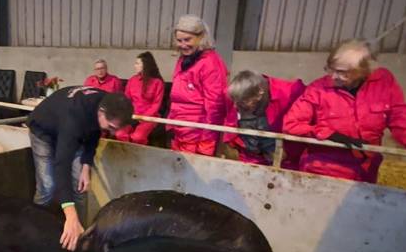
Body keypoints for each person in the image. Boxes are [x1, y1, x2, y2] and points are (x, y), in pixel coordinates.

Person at [283, 39, 406, 182]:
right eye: (331, 69)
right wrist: (328, 134)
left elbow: (399, 116)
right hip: (322, 169)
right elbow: (291, 124)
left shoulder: (383, 84)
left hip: (365, 171)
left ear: (362, 72)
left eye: (342, 72)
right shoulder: (319, 89)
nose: (333, 76)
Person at [27, 86, 134, 250]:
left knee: (81, 185)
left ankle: (80, 236)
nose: (115, 133)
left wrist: (86, 165)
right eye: (112, 128)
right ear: (101, 112)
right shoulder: (75, 118)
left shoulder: (107, 102)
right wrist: (70, 214)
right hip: (44, 131)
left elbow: (94, 133)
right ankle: (32, 232)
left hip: (70, 129)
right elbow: (61, 164)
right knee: (48, 186)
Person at [168, 14, 229, 156]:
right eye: (179, 40)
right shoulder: (185, 59)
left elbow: (215, 105)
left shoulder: (210, 63)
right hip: (179, 130)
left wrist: (207, 142)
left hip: (196, 134)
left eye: (188, 40)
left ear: (201, 37)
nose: (183, 45)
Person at [224, 70, 306, 169]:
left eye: (243, 102)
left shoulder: (291, 92)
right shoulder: (237, 94)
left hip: (285, 158)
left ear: (259, 93)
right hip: (250, 156)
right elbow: (230, 126)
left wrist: (288, 153)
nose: (236, 106)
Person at [115, 52, 165, 145]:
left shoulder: (157, 82)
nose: (135, 65)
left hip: (149, 117)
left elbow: (156, 104)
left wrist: (144, 117)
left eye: (137, 63)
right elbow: (126, 99)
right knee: (120, 133)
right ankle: (127, 154)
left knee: (138, 137)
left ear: (145, 65)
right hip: (132, 115)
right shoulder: (132, 80)